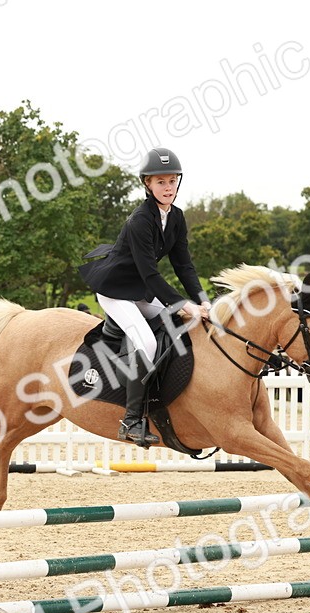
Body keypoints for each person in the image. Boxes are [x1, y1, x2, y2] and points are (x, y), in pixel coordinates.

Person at [78, 147, 210, 446]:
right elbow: (151, 274)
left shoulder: (175, 217)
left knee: (176, 324)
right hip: (116, 291)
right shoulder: (140, 220)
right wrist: (185, 304)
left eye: (172, 181)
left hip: (140, 291)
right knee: (148, 342)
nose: (168, 187)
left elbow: (184, 265)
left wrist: (203, 300)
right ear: (147, 185)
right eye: (160, 182)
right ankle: (132, 420)